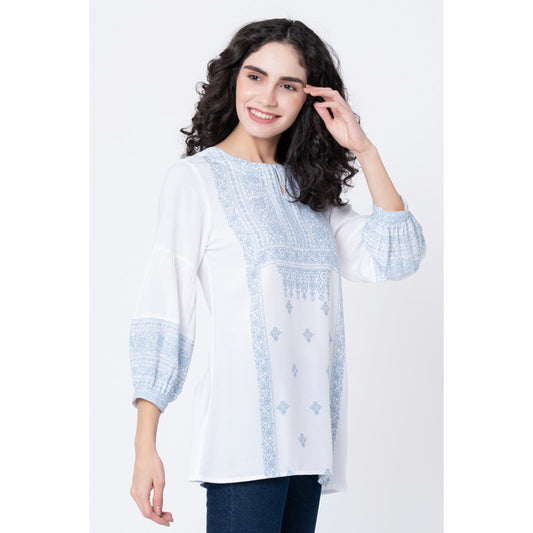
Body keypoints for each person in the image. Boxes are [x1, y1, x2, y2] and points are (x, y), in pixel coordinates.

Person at [128, 18, 426, 532]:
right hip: (243, 445)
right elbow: (165, 310)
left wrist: (365, 150)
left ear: (311, 98)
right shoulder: (195, 180)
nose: (266, 97)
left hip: (309, 444)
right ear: (233, 79)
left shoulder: (310, 194)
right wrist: (144, 447)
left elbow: (397, 255)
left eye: (288, 85)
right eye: (255, 76)